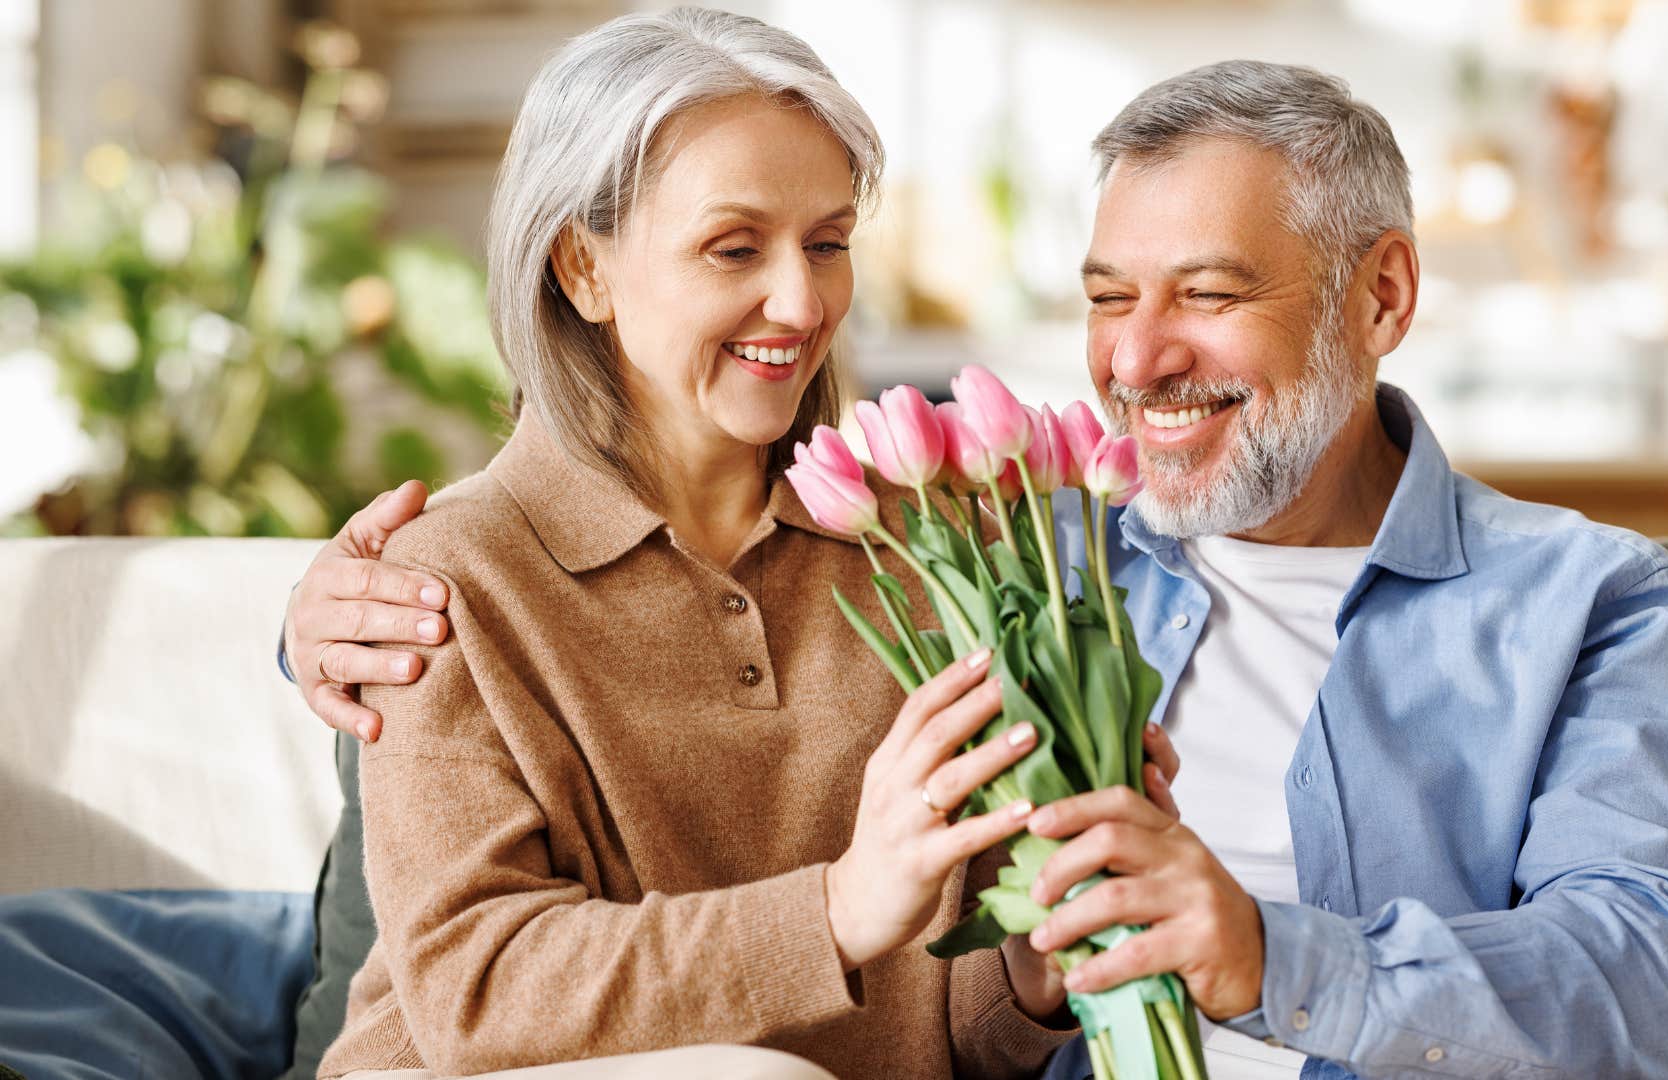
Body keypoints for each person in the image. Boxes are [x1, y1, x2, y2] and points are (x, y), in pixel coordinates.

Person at [290, 53, 1668, 1080]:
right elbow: (477, 914)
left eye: (1210, 294)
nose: (1140, 357)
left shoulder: (1592, 604)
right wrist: (309, 619)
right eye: (1109, 298)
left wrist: (1238, 957)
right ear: (583, 270)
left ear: (1386, 296)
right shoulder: (1012, 561)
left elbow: (1643, 978)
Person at [293, 9, 1137, 1079]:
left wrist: (1033, 959)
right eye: (734, 247)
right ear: (581, 268)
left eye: (827, 244)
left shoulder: (926, 546)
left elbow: (926, 1031)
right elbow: (477, 989)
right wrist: (834, 910)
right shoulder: (445, 582)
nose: (801, 299)